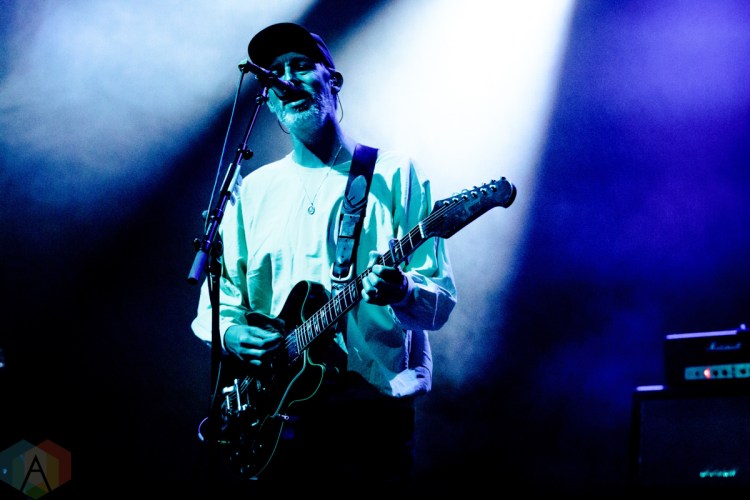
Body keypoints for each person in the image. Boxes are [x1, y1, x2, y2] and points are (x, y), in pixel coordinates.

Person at [191, 22, 457, 490]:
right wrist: (232, 333)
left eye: (300, 66)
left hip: (370, 414)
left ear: (333, 81)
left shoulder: (394, 174)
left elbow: (439, 300)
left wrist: (402, 290)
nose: (288, 79)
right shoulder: (252, 192)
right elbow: (221, 300)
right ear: (270, 101)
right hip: (274, 413)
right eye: (276, 73)